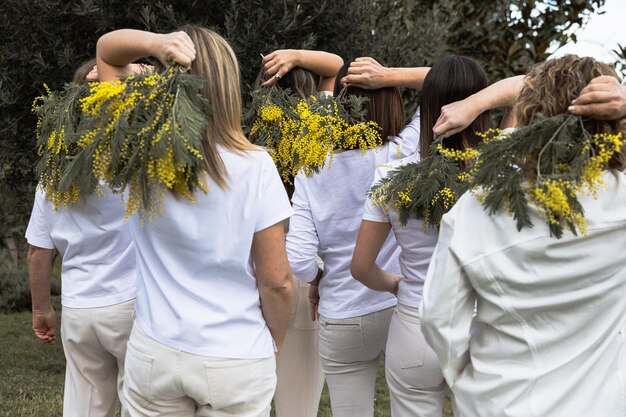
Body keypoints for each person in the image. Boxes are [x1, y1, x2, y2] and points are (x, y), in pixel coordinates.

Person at [96, 26, 293, 417]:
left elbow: (106, 52)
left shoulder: (138, 154)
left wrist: (155, 45)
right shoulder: (255, 167)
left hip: (156, 348)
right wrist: (275, 340)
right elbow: (277, 281)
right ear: (227, 86)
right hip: (235, 354)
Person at [421, 55, 626, 417]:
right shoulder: (620, 200)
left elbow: (440, 319)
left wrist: (467, 379)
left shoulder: (477, 207)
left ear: (530, 117)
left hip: (499, 401)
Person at [349, 55, 491, 417]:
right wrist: (476, 100)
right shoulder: (500, 173)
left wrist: (397, 285)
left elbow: (362, 268)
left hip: (417, 321)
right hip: (485, 325)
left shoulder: (393, 176)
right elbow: (527, 86)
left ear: (425, 106)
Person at [286, 58, 428, 417]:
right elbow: (443, 84)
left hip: (342, 312)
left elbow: (299, 258)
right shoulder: (401, 151)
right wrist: (390, 76)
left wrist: (319, 280)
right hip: (398, 301)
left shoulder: (311, 168)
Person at [26, 59, 137, 417]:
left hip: (78, 309)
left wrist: (42, 308)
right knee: (141, 403)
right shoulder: (131, 162)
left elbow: (37, 252)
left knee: (85, 407)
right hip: (132, 303)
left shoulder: (53, 173)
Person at [252, 49, 343, 417]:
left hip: (256, 269)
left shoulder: (249, 143)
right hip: (307, 274)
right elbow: (336, 66)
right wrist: (295, 56)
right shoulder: (321, 136)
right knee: (299, 406)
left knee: (249, 401)